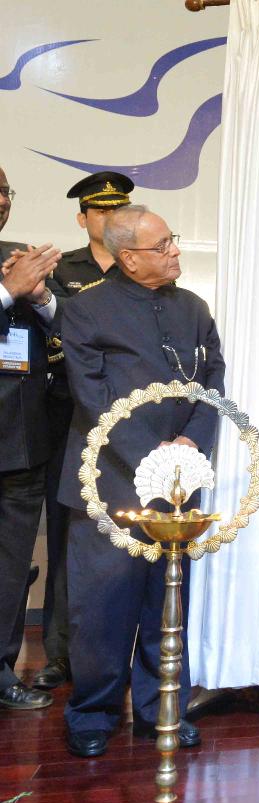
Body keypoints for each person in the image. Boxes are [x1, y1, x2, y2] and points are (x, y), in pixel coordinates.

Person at [58, 204, 224, 757]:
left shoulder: (194, 307)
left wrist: (192, 441)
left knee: (166, 603)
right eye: (163, 245)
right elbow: (92, 395)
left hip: (179, 480)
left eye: (172, 240)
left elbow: (213, 377)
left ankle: (162, 711)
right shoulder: (86, 310)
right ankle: (93, 713)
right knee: (102, 608)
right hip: (109, 482)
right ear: (129, 258)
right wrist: (151, 460)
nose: (175, 251)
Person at [28, 171, 134, 694]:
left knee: (127, 536)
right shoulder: (62, 270)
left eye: (119, 210)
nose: (110, 218)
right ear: (82, 218)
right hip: (70, 416)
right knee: (68, 537)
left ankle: (121, 654)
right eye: (100, 211)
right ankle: (61, 654)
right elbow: (57, 330)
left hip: (131, 421)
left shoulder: (141, 267)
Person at [0, 164, 62, 711]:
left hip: (22, 446)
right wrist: (5, 292)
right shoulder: (10, 274)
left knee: (12, 567)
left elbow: (72, 335)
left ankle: (2, 669)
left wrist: (40, 299)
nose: (0, 201)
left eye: (4, 191)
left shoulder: (19, 256)